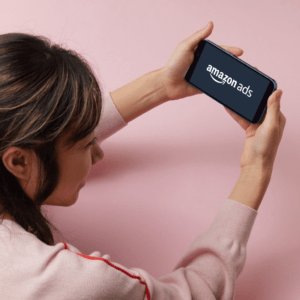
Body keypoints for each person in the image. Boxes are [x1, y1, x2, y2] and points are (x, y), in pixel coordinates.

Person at [0, 21, 286, 300]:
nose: (99, 153)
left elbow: (40, 139)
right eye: (88, 143)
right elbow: (196, 294)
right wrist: (256, 168)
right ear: (19, 162)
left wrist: (161, 85)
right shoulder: (70, 282)